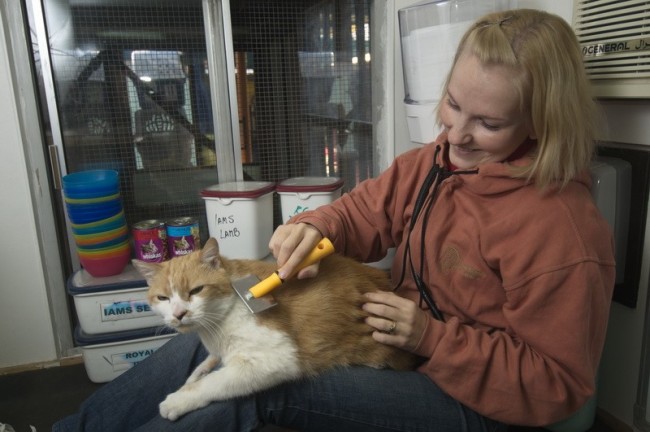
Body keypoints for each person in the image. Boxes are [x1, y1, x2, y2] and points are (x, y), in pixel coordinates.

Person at [54, 8, 615, 432]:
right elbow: (363, 212)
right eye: (452, 104)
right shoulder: (434, 162)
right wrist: (317, 227)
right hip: (406, 351)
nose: (455, 133)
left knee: (248, 390)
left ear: (542, 122)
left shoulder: (560, 229)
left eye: (488, 123)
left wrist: (432, 338)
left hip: (475, 401)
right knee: (208, 335)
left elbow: (557, 386)